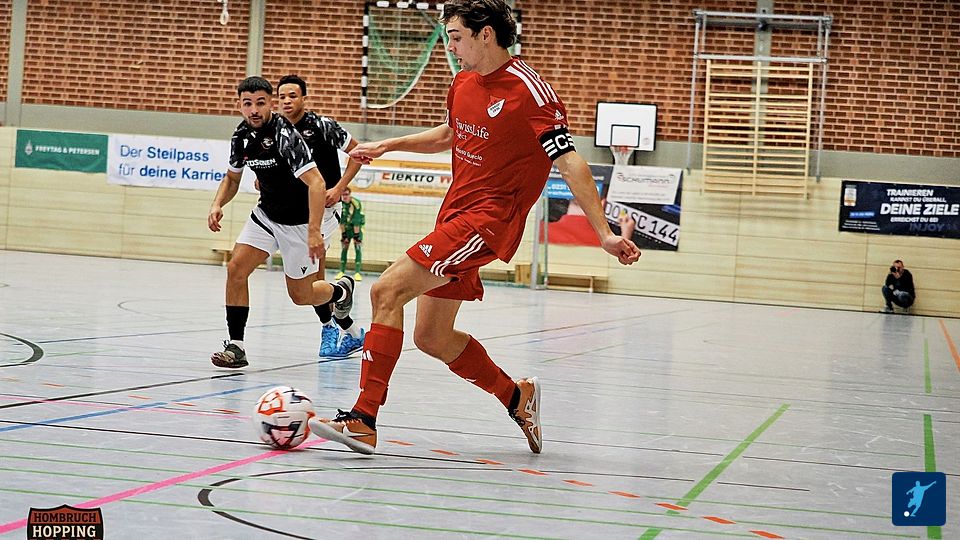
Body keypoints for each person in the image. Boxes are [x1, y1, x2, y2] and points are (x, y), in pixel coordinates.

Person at [309, 0, 641, 456]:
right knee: (432, 337)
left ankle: (363, 419)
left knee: (386, 291)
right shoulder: (463, 80)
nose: (450, 46)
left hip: (487, 223)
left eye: (456, 37)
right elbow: (450, 134)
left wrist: (603, 233)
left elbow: (569, 162)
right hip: (454, 216)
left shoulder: (531, 92)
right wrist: (390, 144)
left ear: (486, 35)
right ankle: (517, 397)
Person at [207, 76, 357, 368]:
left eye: (260, 103)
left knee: (301, 295)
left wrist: (314, 231)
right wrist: (217, 204)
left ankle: (341, 291)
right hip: (266, 216)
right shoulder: (241, 136)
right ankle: (237, 346)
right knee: (236, 268)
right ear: (239, 105)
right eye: (247, 104)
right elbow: (232, 178)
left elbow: (317, 183)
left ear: (270, 104)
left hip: (298, 223)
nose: (254, 110)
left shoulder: (286, 135)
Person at [277, 74, 366, 358]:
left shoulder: (322, 126)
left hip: (324, 211)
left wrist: (339, 188)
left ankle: (330, 327)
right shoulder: (276, 130)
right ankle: (349, 327)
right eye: (282, 97)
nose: (287, 101)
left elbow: (358, 153)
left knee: (313, 277)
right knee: (314, 282)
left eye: (292, 95)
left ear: (304, 98)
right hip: (292, 212)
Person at [337, 187, 365, 282]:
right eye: (343, 195)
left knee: (358, 249)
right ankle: (341, 271)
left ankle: (357, 272)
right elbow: (341, 221)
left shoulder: (356, 203)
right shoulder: (340, 204)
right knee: (344, 248)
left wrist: (357, 236)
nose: (345, 197)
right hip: (347, 229)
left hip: (356, 229)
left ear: (350, 194)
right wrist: (344, 235)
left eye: (346, 194)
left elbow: (357, 221)